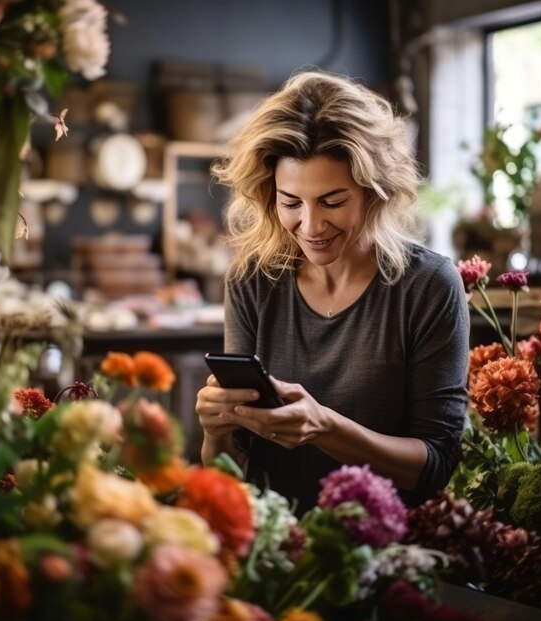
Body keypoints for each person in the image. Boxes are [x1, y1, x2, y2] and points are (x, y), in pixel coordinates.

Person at [195, 70, 470, 515]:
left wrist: (324, 427)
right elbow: (230, 472)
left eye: (332, 201)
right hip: (272, 547)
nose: (311, 225)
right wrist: (217, 433)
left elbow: (436, 464)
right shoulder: (253, 279)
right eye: (291, 203)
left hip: (383, 551)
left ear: (373, 190)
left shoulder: (427, 286)